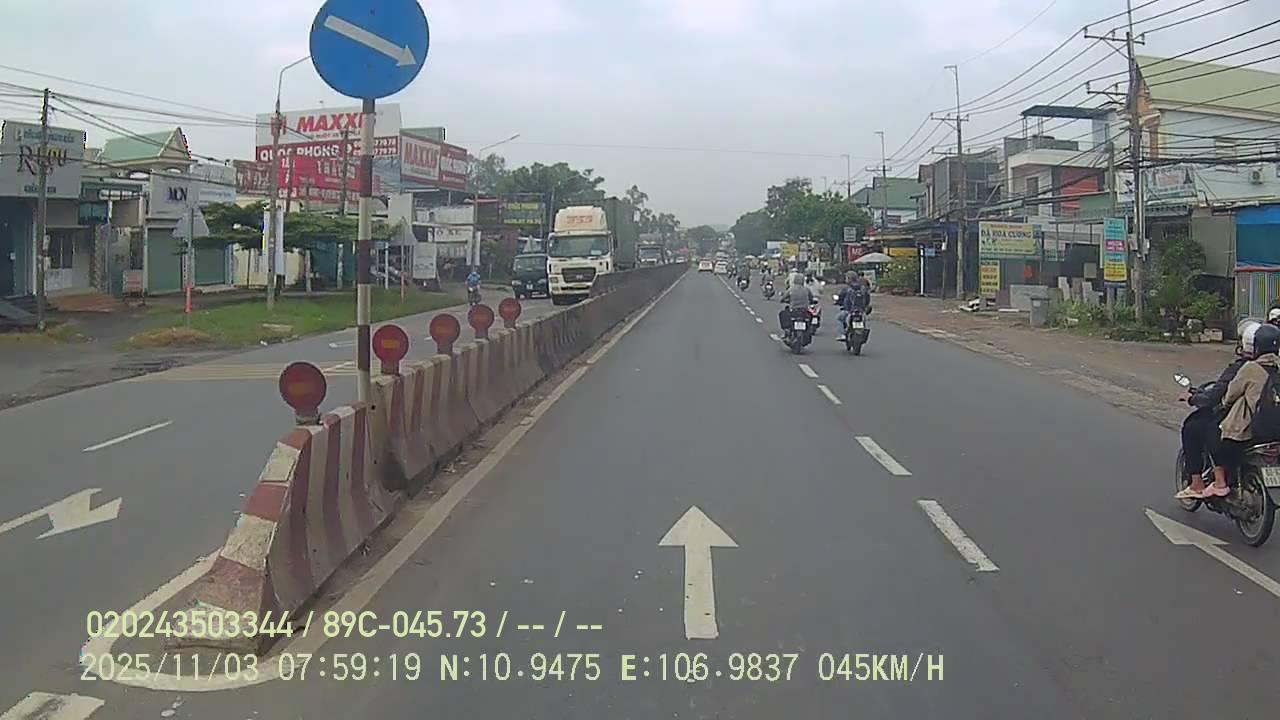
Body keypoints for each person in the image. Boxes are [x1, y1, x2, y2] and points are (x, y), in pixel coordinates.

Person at [1193, 323, 1280, 499]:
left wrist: (1224, 403)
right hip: (1276, 433)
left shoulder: (1251, 368)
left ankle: (1220, 483)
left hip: (1254, 431)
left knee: (1212, 436)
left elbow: (1230, 396)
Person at [1177, 320, 1258, 499]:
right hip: (1269, 424)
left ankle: (1199, 483)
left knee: (1195, 427)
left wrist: (1193, 398)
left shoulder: (1245, 368)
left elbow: (1222, 395)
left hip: (1243, 420)